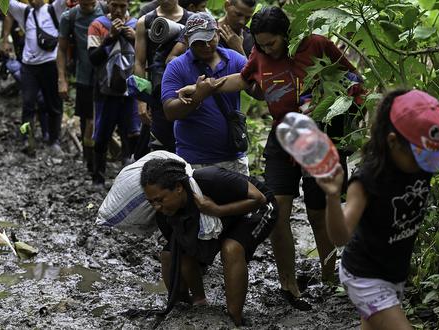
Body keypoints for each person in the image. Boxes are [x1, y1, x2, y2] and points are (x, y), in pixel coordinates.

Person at [176, 6, 361, 309]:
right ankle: (289, 285)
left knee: (317, 212)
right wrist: (202, 89)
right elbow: (244, 79)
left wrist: (351, 118)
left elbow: (353, 78)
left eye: (271, 44)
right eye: (259, 44)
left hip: (320, 136)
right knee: (278, 211)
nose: (265, 49)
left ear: (286, 35)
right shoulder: (260, 54)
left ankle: (330, 278)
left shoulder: (315, 45)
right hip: (282, 136)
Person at [315, 89, 439, 329]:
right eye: (421, 157)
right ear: (392, 141)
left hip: (394, 273)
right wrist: (333, 196)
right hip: (364, 277)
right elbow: (340, 236)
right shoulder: (367, 180)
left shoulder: (424, 156)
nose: (428, 164)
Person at [140, 158, 278, 326]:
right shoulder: (164, 214)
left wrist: (217, 210)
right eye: (151, 202)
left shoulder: (210, 179)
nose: (156, 207)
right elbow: (182, 252)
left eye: (160, 200)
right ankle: (195, 303)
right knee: (170, 254)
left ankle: (235, 317)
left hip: (256, 208)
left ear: (178, 188)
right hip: (220, 218)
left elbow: (259, 198)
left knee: (231, 248)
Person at [161, 12, 250, 175]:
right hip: (194, 160)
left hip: (233, 158)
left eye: (210, 38)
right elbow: (169, 111)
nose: (207, 46)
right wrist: (198, 97)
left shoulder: (235, 59)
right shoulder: (176, 67)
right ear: (187, 41)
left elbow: (257, 89)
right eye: (199, 43)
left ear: (217, 32)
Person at [4, 0, 67, 154]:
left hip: (50, 64)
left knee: (54, 104)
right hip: (28, 67)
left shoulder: (54, 9)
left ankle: (54, 141)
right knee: (28, 104)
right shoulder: (25, 11)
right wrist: (4, 39)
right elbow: (5, 2)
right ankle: (26, 139)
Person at [87, 0, 139, 185]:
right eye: (114, 5)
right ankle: (98, 178)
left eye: (122, 6)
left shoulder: (136, 24)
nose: (118, 10)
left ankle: (128, 181)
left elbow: (145, 56)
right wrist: (110, 37)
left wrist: (135, 38)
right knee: (102, 135)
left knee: (132, 134)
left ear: (128, 6)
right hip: (104, 91)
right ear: (108, 4)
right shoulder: (98, 25)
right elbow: (93, 58)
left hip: (131, 91)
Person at [134, 0, 192, 154]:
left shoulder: (193, 19)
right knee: (159, 146)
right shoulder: (145, 21)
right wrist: (142, 100)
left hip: (188, 94)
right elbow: (140, 62)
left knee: (185, 146)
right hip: (158, 94)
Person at [57, 0, 106, 172]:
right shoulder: (69, 17)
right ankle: (89, 162)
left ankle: (104, 157)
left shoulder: (108, 9)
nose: (88, 6)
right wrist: (62, 78)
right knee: (87, 120)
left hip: (108, 76)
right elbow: (62, 49)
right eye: (84, 4)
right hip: (84, 76)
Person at [166, 0, 256, 64]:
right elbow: (170, 59)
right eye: (238, 14)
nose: (242, 21)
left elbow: (253, 81)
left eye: (247, 17)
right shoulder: (201, 24)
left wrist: (239, 50)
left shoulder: (251, 38)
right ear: (227, 5)